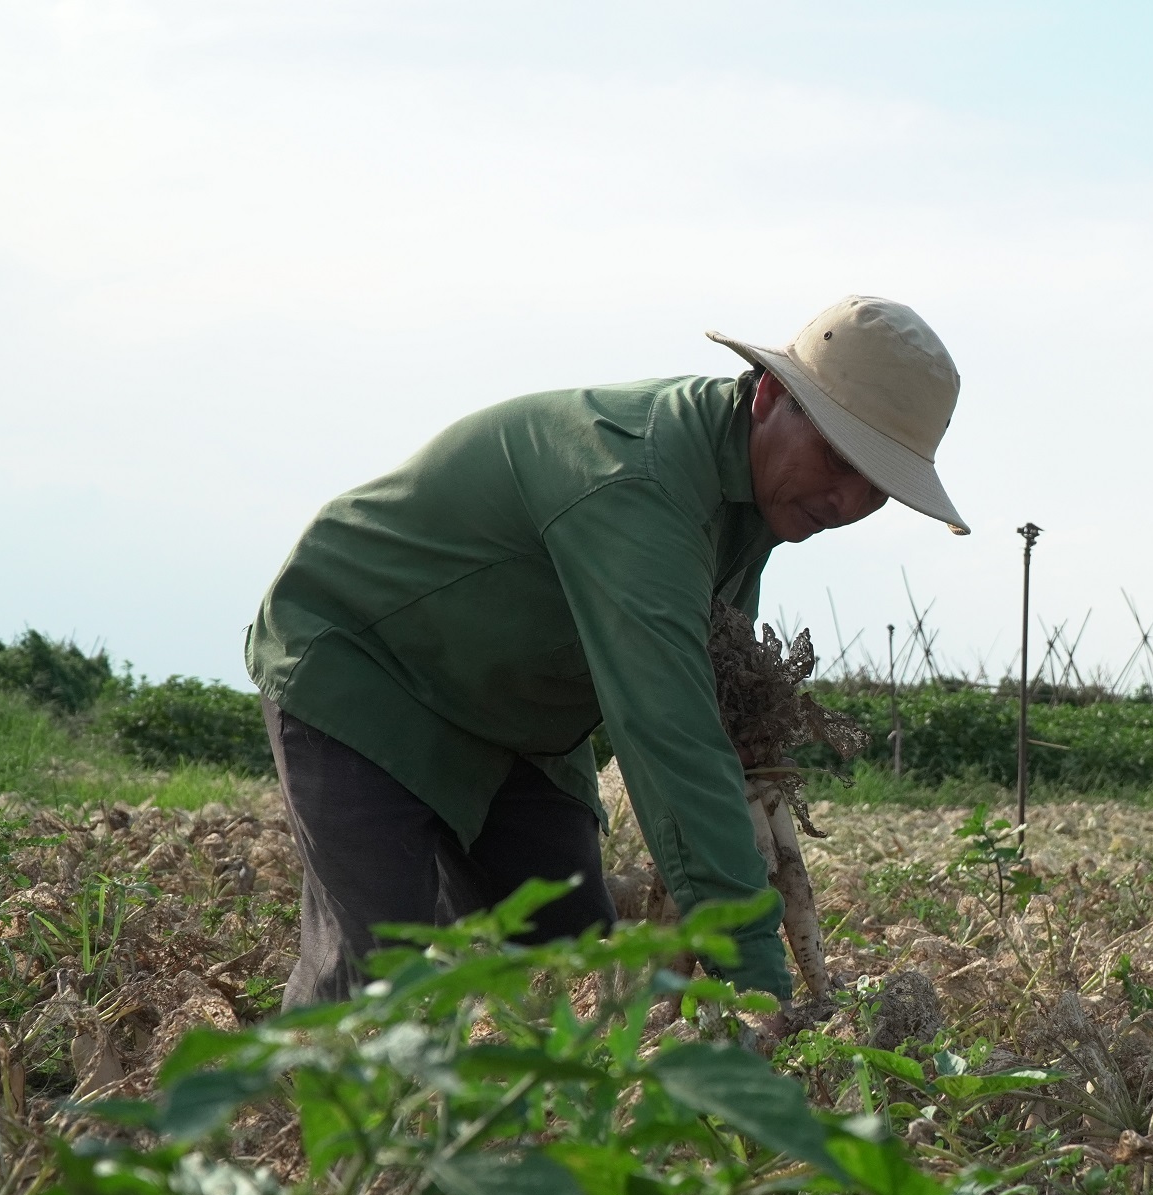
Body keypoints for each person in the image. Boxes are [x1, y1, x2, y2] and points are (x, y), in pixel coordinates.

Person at [247, 296, 967, 1009]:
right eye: (836, 459)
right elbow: (670, 729)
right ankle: (282, 1115)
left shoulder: (757, 509)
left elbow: (716, 703)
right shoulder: (643, 482)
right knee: (375, 971)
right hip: (369, 661)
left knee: (566, 960)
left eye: (875, 490)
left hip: (519, 714)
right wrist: (749, 958)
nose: (845, 500)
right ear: (771, 395)